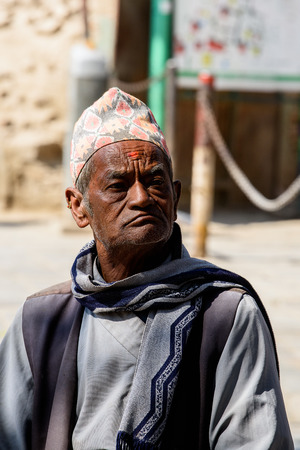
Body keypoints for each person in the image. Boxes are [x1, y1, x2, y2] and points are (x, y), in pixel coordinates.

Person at [0, 87, 294, 450]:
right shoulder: (39, 321)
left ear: (175, 198)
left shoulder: (226, 316)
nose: (141, 198)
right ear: (78, 207)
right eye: (118, 185)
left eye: (154, 182)